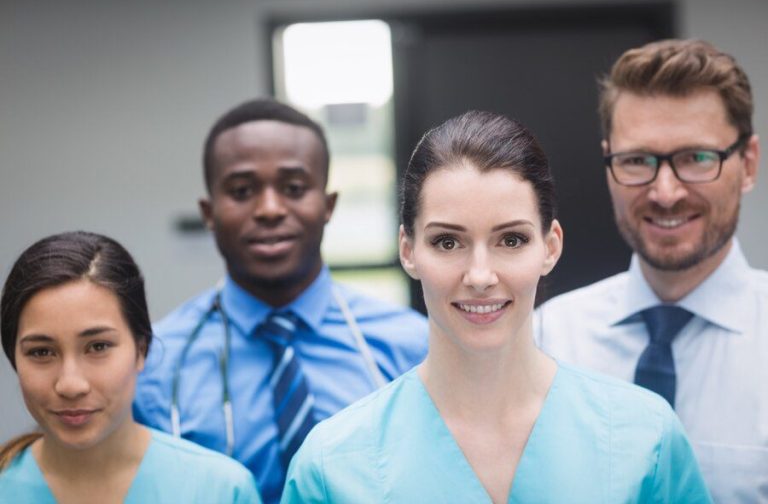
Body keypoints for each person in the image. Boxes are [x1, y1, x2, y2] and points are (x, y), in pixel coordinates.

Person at [282, 110, 711, 503]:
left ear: (550, 246)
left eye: (511, 240)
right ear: (408, 250)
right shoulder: (332, 465)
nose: (480, 276)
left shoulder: (644, 439)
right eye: (447, 242)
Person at [133, 98, 428, 504]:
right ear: (208, 213)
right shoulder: (159, 364)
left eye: (293, 188)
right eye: (241, 191)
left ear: (328, 206)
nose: (269, 209)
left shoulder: (412, 346)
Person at [534, 39, 765, 502]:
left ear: (748, 164)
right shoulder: (548, 339)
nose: (665, 192)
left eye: (696, 158)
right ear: (609, 164)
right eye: (637, 161)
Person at [0, 231, 260, 504]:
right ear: (13, 358)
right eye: (41, 352)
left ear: (141, 349)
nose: (71, 384)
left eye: (98, 347)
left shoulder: (219, 491)